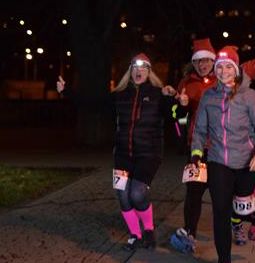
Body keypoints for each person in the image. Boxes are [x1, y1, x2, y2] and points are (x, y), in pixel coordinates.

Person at [56, 53, 188, 251]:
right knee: (123, 195)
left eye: (143, 68)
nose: (138, 71)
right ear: (130, 71)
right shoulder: (120, 94)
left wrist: (182, 105)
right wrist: (66, 91)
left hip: (148, 155)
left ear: (149, 72)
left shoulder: (158, 95)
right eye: (135, 68)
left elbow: (178, 118)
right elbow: (92, 103)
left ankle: (149, 230)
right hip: (123, 154)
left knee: (137, 193)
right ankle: (135, 235)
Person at [170, 38, 255, 253]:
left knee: (232, 197)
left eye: (206, 61)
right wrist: (181, 107)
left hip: (229, 149)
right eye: (197, 62)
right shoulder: (186, 83)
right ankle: (190, 233)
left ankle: (241, 222)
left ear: (213, 61)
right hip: (200, 148)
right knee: (194, 190)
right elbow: (177, 118)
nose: (202, 65)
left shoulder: (226, 73)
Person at [189, 46, 255, 263]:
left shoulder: (250, 97)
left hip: (247, 161)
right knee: (220, 211)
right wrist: (196, 155)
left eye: (229, 66)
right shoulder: (208, 97)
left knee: (241, 210)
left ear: (236, 70)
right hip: (218, 162)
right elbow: (200, 130)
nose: (224, 71)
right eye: (220, 67)